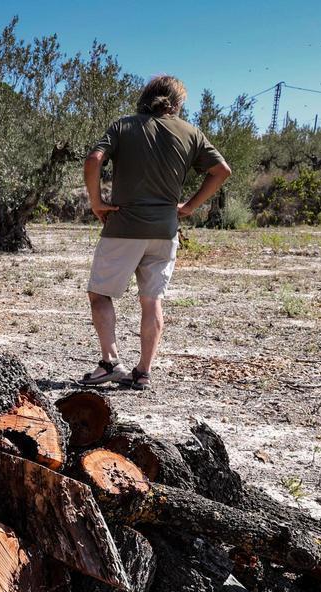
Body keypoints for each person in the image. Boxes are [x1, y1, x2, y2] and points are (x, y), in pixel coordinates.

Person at [77, 75, 232, 390]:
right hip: (165, 230)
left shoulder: (123, 126)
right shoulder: (191, 132)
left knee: (100, 294)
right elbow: (222, 171)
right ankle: (143, 372)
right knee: (152, 301)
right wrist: (189, 206)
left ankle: (110, 362)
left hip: (123, 227)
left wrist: (96, 202)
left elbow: (94, 160)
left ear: (146, 98)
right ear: (176, 103)